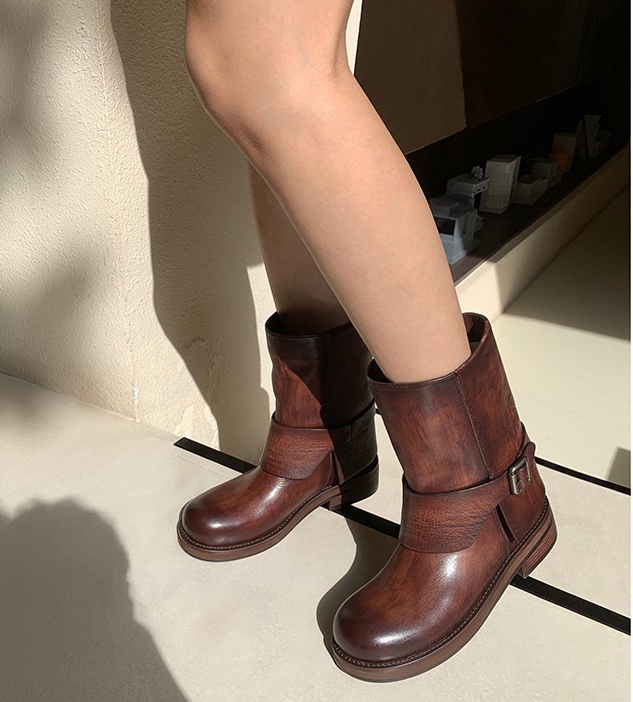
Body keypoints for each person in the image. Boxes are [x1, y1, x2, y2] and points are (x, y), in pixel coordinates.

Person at [174, 1, 557, 682]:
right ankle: (321, 437)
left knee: (268, 67)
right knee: (260, 89)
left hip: (481, 492)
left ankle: (482, 493)